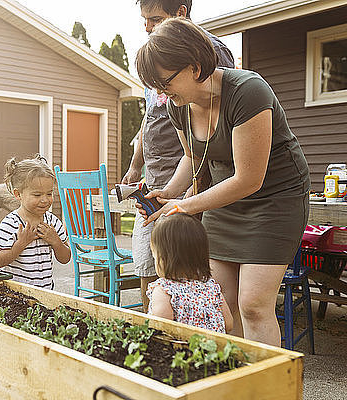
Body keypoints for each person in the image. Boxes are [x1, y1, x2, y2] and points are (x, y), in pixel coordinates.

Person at [135, 18, 310, 346]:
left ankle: (265, 392)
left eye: (164, 81)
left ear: (193, 66)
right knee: (223, 299)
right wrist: (170, 191)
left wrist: (183, 205)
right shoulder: (178, 106)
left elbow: (249, 179)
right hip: (222, 199)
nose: (160, 92)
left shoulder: (248, 91)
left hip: (274, 200)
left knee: (254, 305)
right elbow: (192, 158)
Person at [123, 0, 235, 313]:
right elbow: (149, 121)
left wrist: (194, 190)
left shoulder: (207, 51)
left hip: (191, 184)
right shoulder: (156, 60)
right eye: (144, 20)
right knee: (149, 264)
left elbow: (217, 125)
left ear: (181, 13)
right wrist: (136, 166)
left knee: (185, 272)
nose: (147, 27)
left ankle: (190, 335)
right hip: (161, 181)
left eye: (154, 18)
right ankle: (155, 328)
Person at [0, 155, 71, 289]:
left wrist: (55, 241)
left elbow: (65, 258)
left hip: (45, 292)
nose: (45, 200)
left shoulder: (52, 222)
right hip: (16, 294)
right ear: (18, 194)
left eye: (49, 194)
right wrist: (20, 244)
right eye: (37, 195)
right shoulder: (11, 224)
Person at [146, 212, 232, 333]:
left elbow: (160, 327)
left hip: (182, 350)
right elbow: (228, 324)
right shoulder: (211, 287)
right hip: (214, 350)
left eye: (155, 256)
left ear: (165, 258)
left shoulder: (164, 290)